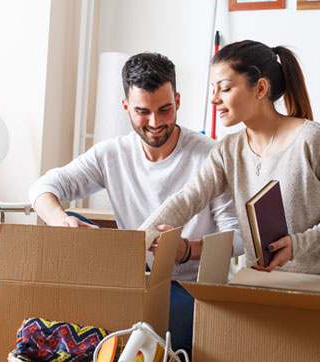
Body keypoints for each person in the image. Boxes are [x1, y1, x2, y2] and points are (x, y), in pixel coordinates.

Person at [139, 40, 320, 321]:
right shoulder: (228, 151)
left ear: (260, 88)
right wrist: (138, 240)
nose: (214, 99)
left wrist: (299, 244)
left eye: (224, 88)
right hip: (275, 284)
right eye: (213, 90)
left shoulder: (312, 140)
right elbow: (188, 198)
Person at [28, 52, 243, 355]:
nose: (155, 123)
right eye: (143, 112)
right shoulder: (112, 154)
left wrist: (187, 251)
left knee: (151, 326)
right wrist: (61, 221)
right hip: (136, 279)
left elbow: (239, 236)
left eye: (165, 110)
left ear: (178, 101)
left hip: (193, 287)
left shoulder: (210, 156)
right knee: (69, 222)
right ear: (126, 107)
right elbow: (42, 187)